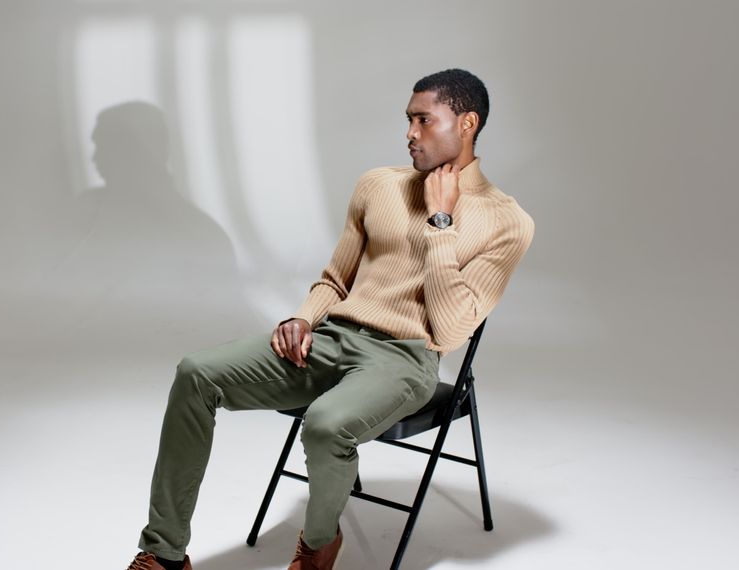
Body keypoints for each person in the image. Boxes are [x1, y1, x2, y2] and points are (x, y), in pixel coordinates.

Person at [126, 68, 534, 570]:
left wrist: (440, 222)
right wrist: (302, 318)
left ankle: (318, 548)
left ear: (467, 123)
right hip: (332, 339)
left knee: (324, 425)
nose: (409, 133)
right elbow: (335, 280)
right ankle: (163, 554)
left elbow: (450, 330)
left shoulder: (507, 220)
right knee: (196, 373)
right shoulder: (378, 186)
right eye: (408, 120)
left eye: (424, 121)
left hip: (405, 361)